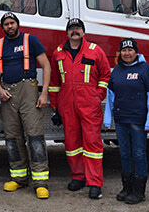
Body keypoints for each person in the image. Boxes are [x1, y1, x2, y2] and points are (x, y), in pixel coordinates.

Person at [48, 18, 111, 199]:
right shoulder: (58, 53)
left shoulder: (95, 51)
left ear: (83, 32)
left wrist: (98, 95)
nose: (75, 31)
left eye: (78, 28)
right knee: (72, 144)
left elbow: (105, 75)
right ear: (67, 33)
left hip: (89, 105)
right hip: (67, 106)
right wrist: (55, 107)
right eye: (71, 29)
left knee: (92, 144)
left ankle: (95, 183)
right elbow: (54, 82)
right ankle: (78, 177)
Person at [0, 12, 51, 199]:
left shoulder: (30, 40)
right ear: (3, 27)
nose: (10, 26)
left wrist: (44, 93)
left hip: (29, 91)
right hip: (8, 94)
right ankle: (19, 178)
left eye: (12, 23)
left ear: (18, 24)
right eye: (6, 24)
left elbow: (46, 66)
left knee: (35, 136)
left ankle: (40, 182)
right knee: (12, 138)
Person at [103, 38, 149, 204]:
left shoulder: (145, 70)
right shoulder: (117, 70)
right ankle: (126, 187)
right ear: (120, 53)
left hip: (138, 121)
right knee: (125, 154)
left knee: (139, 154)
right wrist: (108, 119)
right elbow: (110, 96)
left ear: (136, 52)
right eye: (124, 50)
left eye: (130, 50)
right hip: (121, 120)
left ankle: (138, 191)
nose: (127, 53)